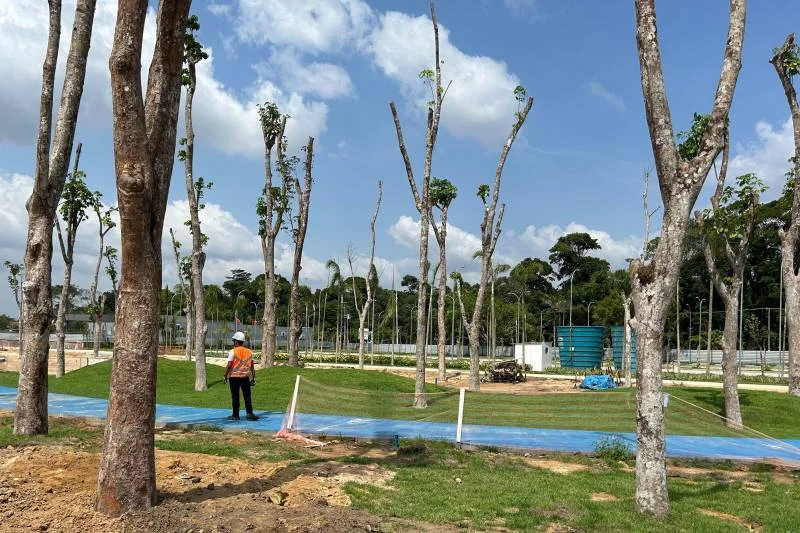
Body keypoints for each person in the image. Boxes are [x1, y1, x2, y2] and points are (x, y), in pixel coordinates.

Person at [224, 331, 259, 421]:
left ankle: (235, 415)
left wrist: (225, 375)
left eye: (233, 341)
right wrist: (253, 378)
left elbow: (229, 365)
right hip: (245, 378)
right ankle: (249, 413)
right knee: (247, 396)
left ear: (236, 342)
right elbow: (252, 366)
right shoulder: (249, 352)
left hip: (234, 377)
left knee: (235, 396)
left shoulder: (232, 352)